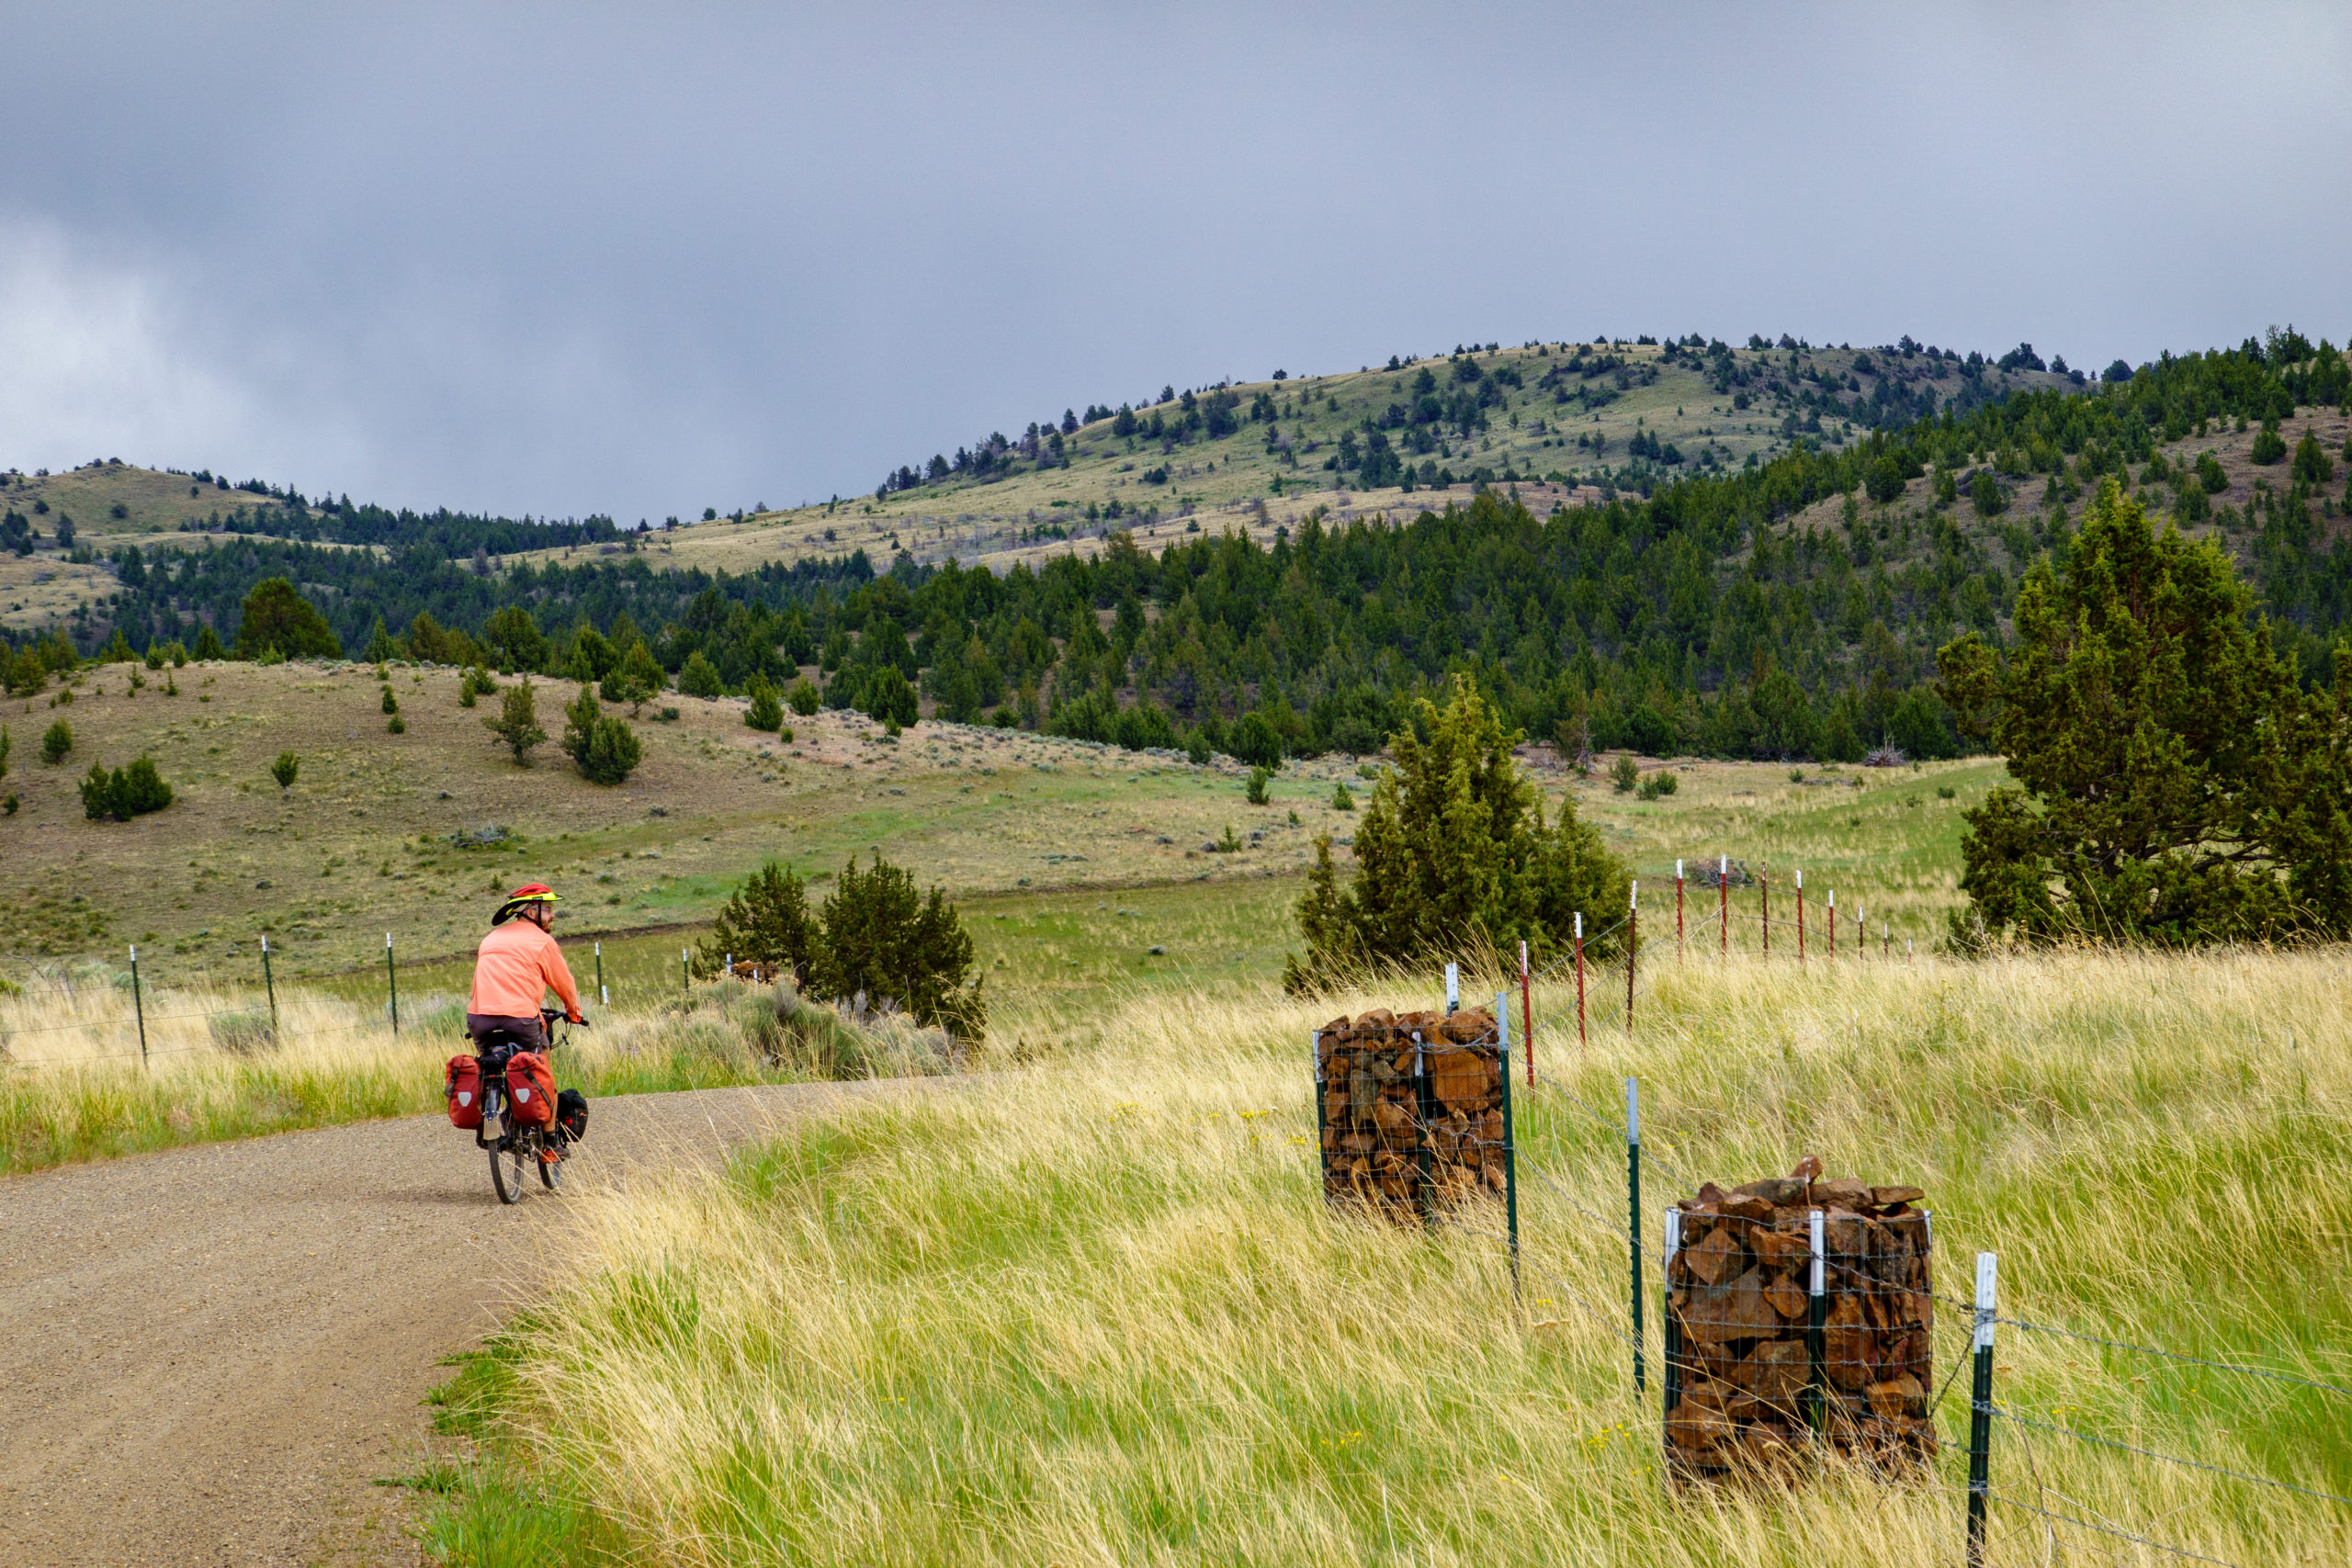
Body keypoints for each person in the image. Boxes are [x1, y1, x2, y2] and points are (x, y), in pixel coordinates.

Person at [466, 884, 584, 1052]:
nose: (553, 915)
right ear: (530, 913)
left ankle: (486, 1077)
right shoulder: (543, 941)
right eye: (548, 909)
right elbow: (564, 984)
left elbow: (477, 986)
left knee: (487, 1063)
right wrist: (574, 1014)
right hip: (520, 1018)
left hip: (479, 1019)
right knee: (539, 1061)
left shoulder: (490, 938)